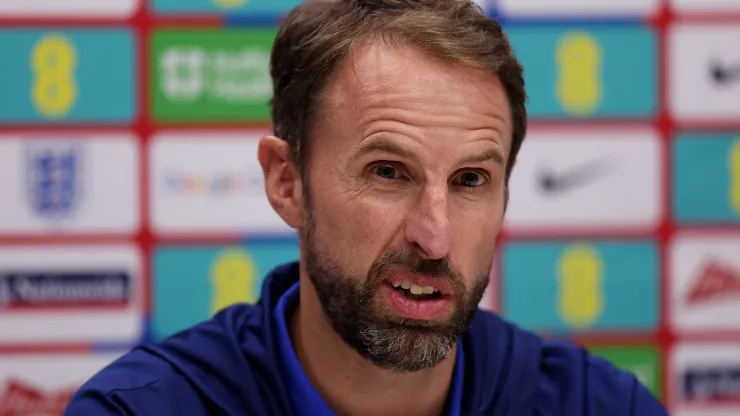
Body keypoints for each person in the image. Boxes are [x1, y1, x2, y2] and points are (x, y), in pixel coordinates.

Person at [63, 0, 670, 415]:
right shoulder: (142, 407)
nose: (434, 237)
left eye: (469, 180)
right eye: (387, 172)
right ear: (287, 182)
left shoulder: (597, 405)